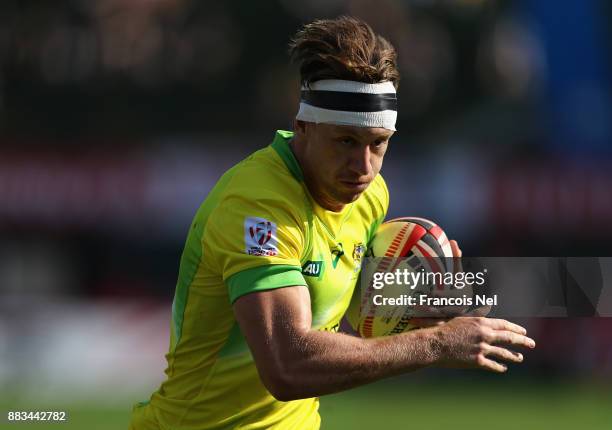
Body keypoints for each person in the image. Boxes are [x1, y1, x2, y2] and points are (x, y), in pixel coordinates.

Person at [129, 16, 536, 430]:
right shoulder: (258, 207)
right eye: (345, 141)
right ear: (302, 127)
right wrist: (434, 344)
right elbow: (288, 366)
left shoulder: (370, 195)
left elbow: (352, 322)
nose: (363, 167)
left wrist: (422, 307)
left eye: (378, 144)